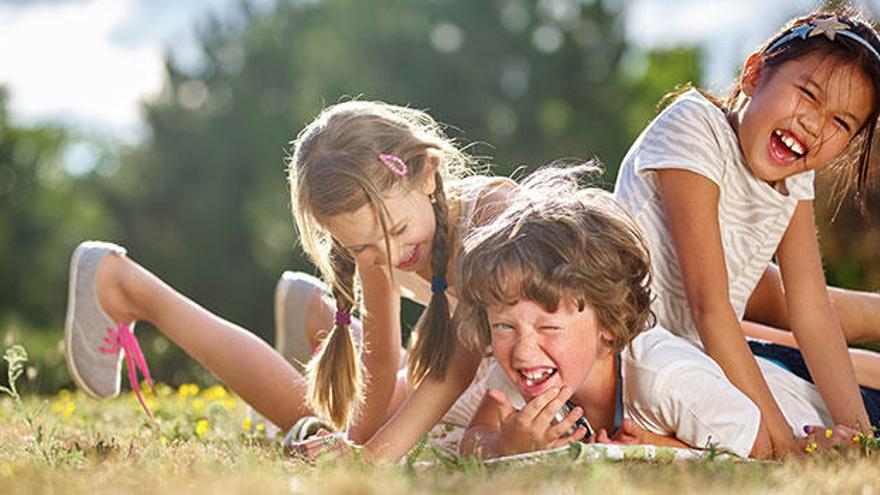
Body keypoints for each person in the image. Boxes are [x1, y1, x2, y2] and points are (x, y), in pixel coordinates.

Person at [63, 100, 515, 462]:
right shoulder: (376, 240)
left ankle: (313, 314)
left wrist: (366, 456)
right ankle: (128, 287)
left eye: (397, 232)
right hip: (463, 367)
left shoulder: (493, 218)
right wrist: (351, 446)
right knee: (329, 422)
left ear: (427, 173)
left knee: (395, 430)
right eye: (361, 249)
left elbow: (456, 365)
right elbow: (379, 364)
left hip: (488, 364)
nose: (390, 255)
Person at [454, 167, 862, 460]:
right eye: (504, 325)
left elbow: (768, 452)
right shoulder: (528, 371)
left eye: (548, 326)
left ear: (609, 327)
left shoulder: (667, 379)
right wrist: (503, 446)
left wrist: (664, 450)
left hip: (804, 404)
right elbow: (476, 434)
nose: (523, 351)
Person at [613, 11, 880, 457]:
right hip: (639, 352)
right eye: (808, 95)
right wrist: (789, 448)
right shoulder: (694, 127)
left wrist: (857, 436)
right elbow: (710, 306)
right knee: (705, 395)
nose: (814, 125)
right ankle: (685, 437)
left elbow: (811, 310)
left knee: (848, 404)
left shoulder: (795, 178)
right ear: (755, 73)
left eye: (840, 123)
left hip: (711, 357)